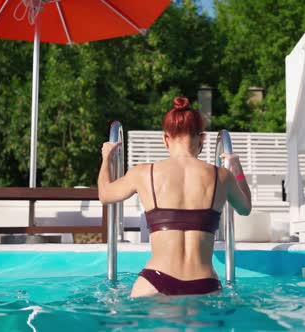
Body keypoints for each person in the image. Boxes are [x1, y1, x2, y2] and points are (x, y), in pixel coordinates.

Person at [98, 97, 252, 297]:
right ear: (202, 139)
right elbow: (245, 207)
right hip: (205, 283)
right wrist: (235, 166)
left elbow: (104, 195)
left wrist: (106, 159)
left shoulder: (144, 173)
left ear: (165, 139)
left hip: (155, 280)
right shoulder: (222, 176)